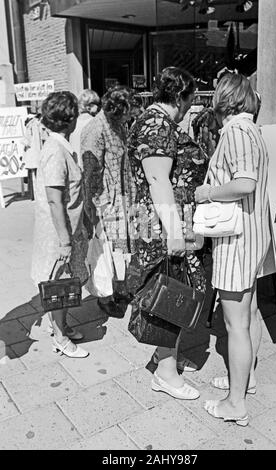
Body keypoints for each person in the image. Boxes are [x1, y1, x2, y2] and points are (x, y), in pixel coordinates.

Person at [195, 73, 271, 425]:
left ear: (225, 98)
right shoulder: (253, 128)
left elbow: (244, 182)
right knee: (250, 313)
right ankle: (247, 379)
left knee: (235, 323)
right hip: (252, 235)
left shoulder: (237, 131)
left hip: (236, 240)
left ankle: (235, 403)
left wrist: (207, 192)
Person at [127, 66, 207, 400]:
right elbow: (159, 180)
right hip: (164, 225)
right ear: (181, 96)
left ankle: (166, 356)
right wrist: (175, 231)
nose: (192, 105)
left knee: (174, 290)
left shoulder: (158, 122)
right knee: (169, 292)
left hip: (168, 221)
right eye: (191, 99)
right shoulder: (157, 125)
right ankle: (164, 372)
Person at [31, 91, 89, 358]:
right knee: (59, 286)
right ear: (71, 119)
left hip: (66, 229)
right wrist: (65, 241)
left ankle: (62, 326)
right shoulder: (55, 150)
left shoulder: (60, 146)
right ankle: (60, 337)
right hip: (59, 232)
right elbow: (55, 200)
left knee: (64, 283)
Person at [81, 85, 136, 318]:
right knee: (104, 251)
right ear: (118, 109)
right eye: (129, 110)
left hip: (122, 198)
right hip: (104, 202)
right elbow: (91, 171)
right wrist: (93, 207)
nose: (131, 115)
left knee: (120, 250)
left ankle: (119, 289)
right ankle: (104, 296)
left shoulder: (118, 125)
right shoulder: (95, 129)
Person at [69, 89, 101, 168]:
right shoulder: (95, 122)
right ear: (88, 106)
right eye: (96, 103)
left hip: (76, 166)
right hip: (91, 167)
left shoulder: (73, 123)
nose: (98, 106)